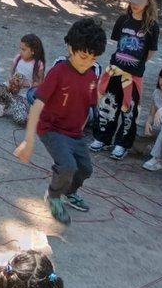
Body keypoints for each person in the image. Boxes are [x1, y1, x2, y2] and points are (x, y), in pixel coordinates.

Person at [14, 17, 107, 226]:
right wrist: (29, 141)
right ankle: (54, 196)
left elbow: (92, 103)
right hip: (52, 129)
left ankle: (69, 192)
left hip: (75, 133)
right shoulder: (58, 73)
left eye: (93, 59)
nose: (87, 62)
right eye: (83, 56)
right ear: (70, 47)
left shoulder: (92, 76)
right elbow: (37, 105)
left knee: (85, 169)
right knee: (67, 166)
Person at [90, 0, 159, 159]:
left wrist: (134, 64)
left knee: (129, 111)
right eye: (132, 1)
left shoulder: (152, 26)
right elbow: (117, 43)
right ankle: (102, 138)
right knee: (108, 105)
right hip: (115, 71)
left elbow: (150, 53)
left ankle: (122, 144)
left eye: (138, 2)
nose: (134, 5)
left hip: (133, 75)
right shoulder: (123, 20)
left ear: (148, 2)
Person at [0, 33, 46, 123]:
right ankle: (4, 104)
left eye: (24, 49)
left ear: (33, 51)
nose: (20, 51)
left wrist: (25, 84)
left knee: (21, 119)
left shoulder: (38, 63)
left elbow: (40, 83)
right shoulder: (18, 58)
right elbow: (11, 71)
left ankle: (18, 106)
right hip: (10, 89)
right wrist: (11, 80)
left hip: (23, 95)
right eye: (20, 48)